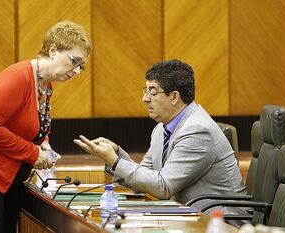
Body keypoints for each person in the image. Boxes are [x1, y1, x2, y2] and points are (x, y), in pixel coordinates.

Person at [0, 21, 92, 233]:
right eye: (75, 61)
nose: (78, 71)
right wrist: (32, 153)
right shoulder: (18, 77)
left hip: (5, 179)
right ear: (53, 50)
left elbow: (33, 127)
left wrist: (44, 145)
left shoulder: (45, 84)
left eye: (82, 66)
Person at [74, 59, 246, 210]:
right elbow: (144, 179)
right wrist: (115, 153)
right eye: (145, 90)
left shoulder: (198, 130)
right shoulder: (161, 129)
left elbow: (163, 187)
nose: (145, 98)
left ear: (174, 97)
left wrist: (115, 161)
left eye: (153, 92)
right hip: (187, 216)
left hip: (219, 222)